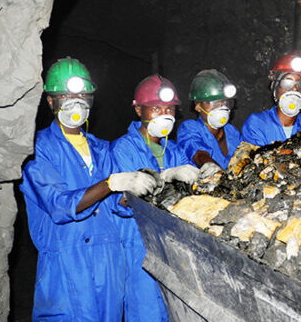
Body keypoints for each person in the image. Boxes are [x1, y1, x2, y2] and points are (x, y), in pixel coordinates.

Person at [20, 57, 158, 320]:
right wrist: (110, 183)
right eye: (67, 95)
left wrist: (140, 189)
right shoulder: (39, 149)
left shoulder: (101, 149)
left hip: (108, 262)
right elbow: (61, 206)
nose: (77, 102)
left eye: (83, 94)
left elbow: (115, 206)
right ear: (51, 101)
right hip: (66, 263)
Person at [110, 75, 200, 322]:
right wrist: (167, 176)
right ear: (138, 109)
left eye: (170, 108)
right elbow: (125, 202)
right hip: (140, 248)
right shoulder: (124, 148)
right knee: (146, 314)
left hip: (175, 247)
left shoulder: (175, 150)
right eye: (156, 108)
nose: (165, 114)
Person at [241, 51, 301, 145]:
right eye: (287, 83)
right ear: (275, 88)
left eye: (300, 85)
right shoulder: (257, 124)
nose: (294, 89)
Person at [177, 69, 241, 175]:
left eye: (226, 102)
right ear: (198, 105)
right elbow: (199, 155)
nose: (222, 107)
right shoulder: (189, 128)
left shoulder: (232, 132)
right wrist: (211, 167)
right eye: (214, 102)